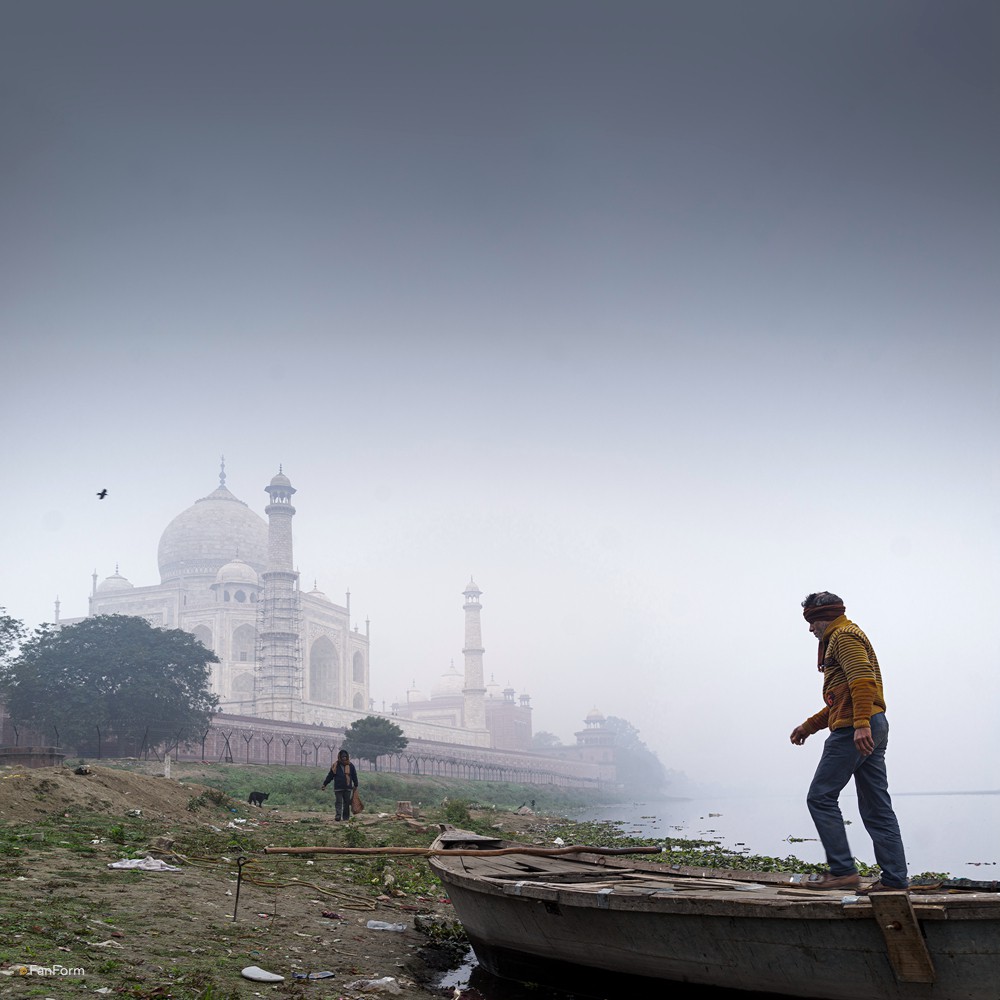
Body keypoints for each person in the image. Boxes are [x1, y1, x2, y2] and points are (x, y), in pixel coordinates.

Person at [789, 591, 908, 892]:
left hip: (856, 728)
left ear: (823, 617)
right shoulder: (843, 636)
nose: (810, 629)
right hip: (870, 723)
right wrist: (808, 727)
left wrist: (860, 725)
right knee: (876, 807)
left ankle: (842, 871)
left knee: (820, 797)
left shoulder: (843, 636)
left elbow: (862, 682)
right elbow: (840, 700)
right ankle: (895, 880)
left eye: (812, 621)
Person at [322, 749, 359, 821]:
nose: (344, 758)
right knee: (338, 802)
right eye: (342, 757)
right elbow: (330, 776)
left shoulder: (351, 766)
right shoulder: (335, 765)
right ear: (340, 757)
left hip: (348, 787)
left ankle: (346, 817)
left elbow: (354, 775)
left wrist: (356, 784)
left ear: (347, 757)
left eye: (345, 756)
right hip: (338, 787)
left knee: (346, 803)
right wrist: (325, 784)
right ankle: (338, 816)